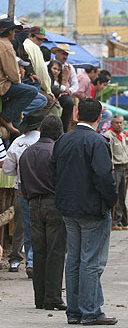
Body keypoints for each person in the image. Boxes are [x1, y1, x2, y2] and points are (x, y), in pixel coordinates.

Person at [51, 98, 118, 325]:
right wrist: (111, 201)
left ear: (77, 113)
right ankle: (90, 310)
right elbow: (104, 177)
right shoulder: (97, 141)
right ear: (99, 117)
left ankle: (75, 310)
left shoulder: (63, 140)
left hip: (68, 208)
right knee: (91, 261)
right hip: (91, 208)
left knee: (74, 260)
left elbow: (54, 172)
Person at [19, 115, 66, 311]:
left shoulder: (27, 153)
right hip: (53, 203)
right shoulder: (56, 152)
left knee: (38, 251)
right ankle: (53, 297)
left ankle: (40, 297)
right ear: (58, 132)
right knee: (55, 251)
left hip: (33, 205)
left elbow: (22, 182)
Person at [3, 110, 44, 277]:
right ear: (40, 126)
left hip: (23, 189)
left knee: (27, 227)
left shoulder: (18, 143)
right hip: (44, 191)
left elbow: (7, 169)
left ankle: (30, 261)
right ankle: (39, 261)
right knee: (43, 227)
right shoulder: (48, 142)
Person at [0, 17, 37, 134]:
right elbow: (13, 75)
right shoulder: (6, 45)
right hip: (3, 84)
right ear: (10, 31)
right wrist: (18, 77)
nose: (15, 34)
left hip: (4, 83)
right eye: (15, 32)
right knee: (32, 91)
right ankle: (6, 117)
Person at [104, 116, 128, 230]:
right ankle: (113, 221)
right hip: (116, 168)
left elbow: (127, 154)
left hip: (124, 168)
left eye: (121, 123)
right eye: (117, 123)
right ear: (112, 123)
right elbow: (108, 155)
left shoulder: (123, 136)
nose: (119, 125)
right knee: (115, 195)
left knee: (122, 196)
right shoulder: (108, 136)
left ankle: (120, 220)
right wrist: (112, 168)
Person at [23, 26, 54, 108]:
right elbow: (41, 70)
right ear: (30, 36)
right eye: (39, 39)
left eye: (42, 40)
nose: (40, 42)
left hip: (22, 81)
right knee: (48, 100)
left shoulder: (22, 45)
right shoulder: (34, 47)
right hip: (28, 82)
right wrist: (48, 90)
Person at [50, 44, 78, 132]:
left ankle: (63, 128)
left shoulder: (69, 67)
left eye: (66, 54)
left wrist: (69, 91)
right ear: (57, 53)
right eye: (63, 54)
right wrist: (63, 89)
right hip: (49, 89)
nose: (65, 56)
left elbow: (75, 84)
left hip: (63, 92)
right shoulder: (48, 63)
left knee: (69, 103)